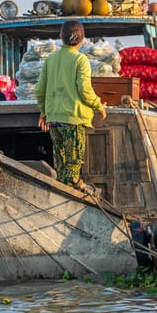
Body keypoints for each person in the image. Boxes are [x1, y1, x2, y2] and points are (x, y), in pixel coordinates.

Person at [35, 20, 107, 190]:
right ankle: (66, 197)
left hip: (54, 122)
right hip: (73, 121)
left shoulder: (51, 59)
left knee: (61, 167)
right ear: (82, 39)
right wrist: (99, 106)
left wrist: (44, 112)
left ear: (61, 37)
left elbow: (40, 91)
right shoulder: (80, 60)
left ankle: (62, 195)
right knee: (73, 167)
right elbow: (84, 89)